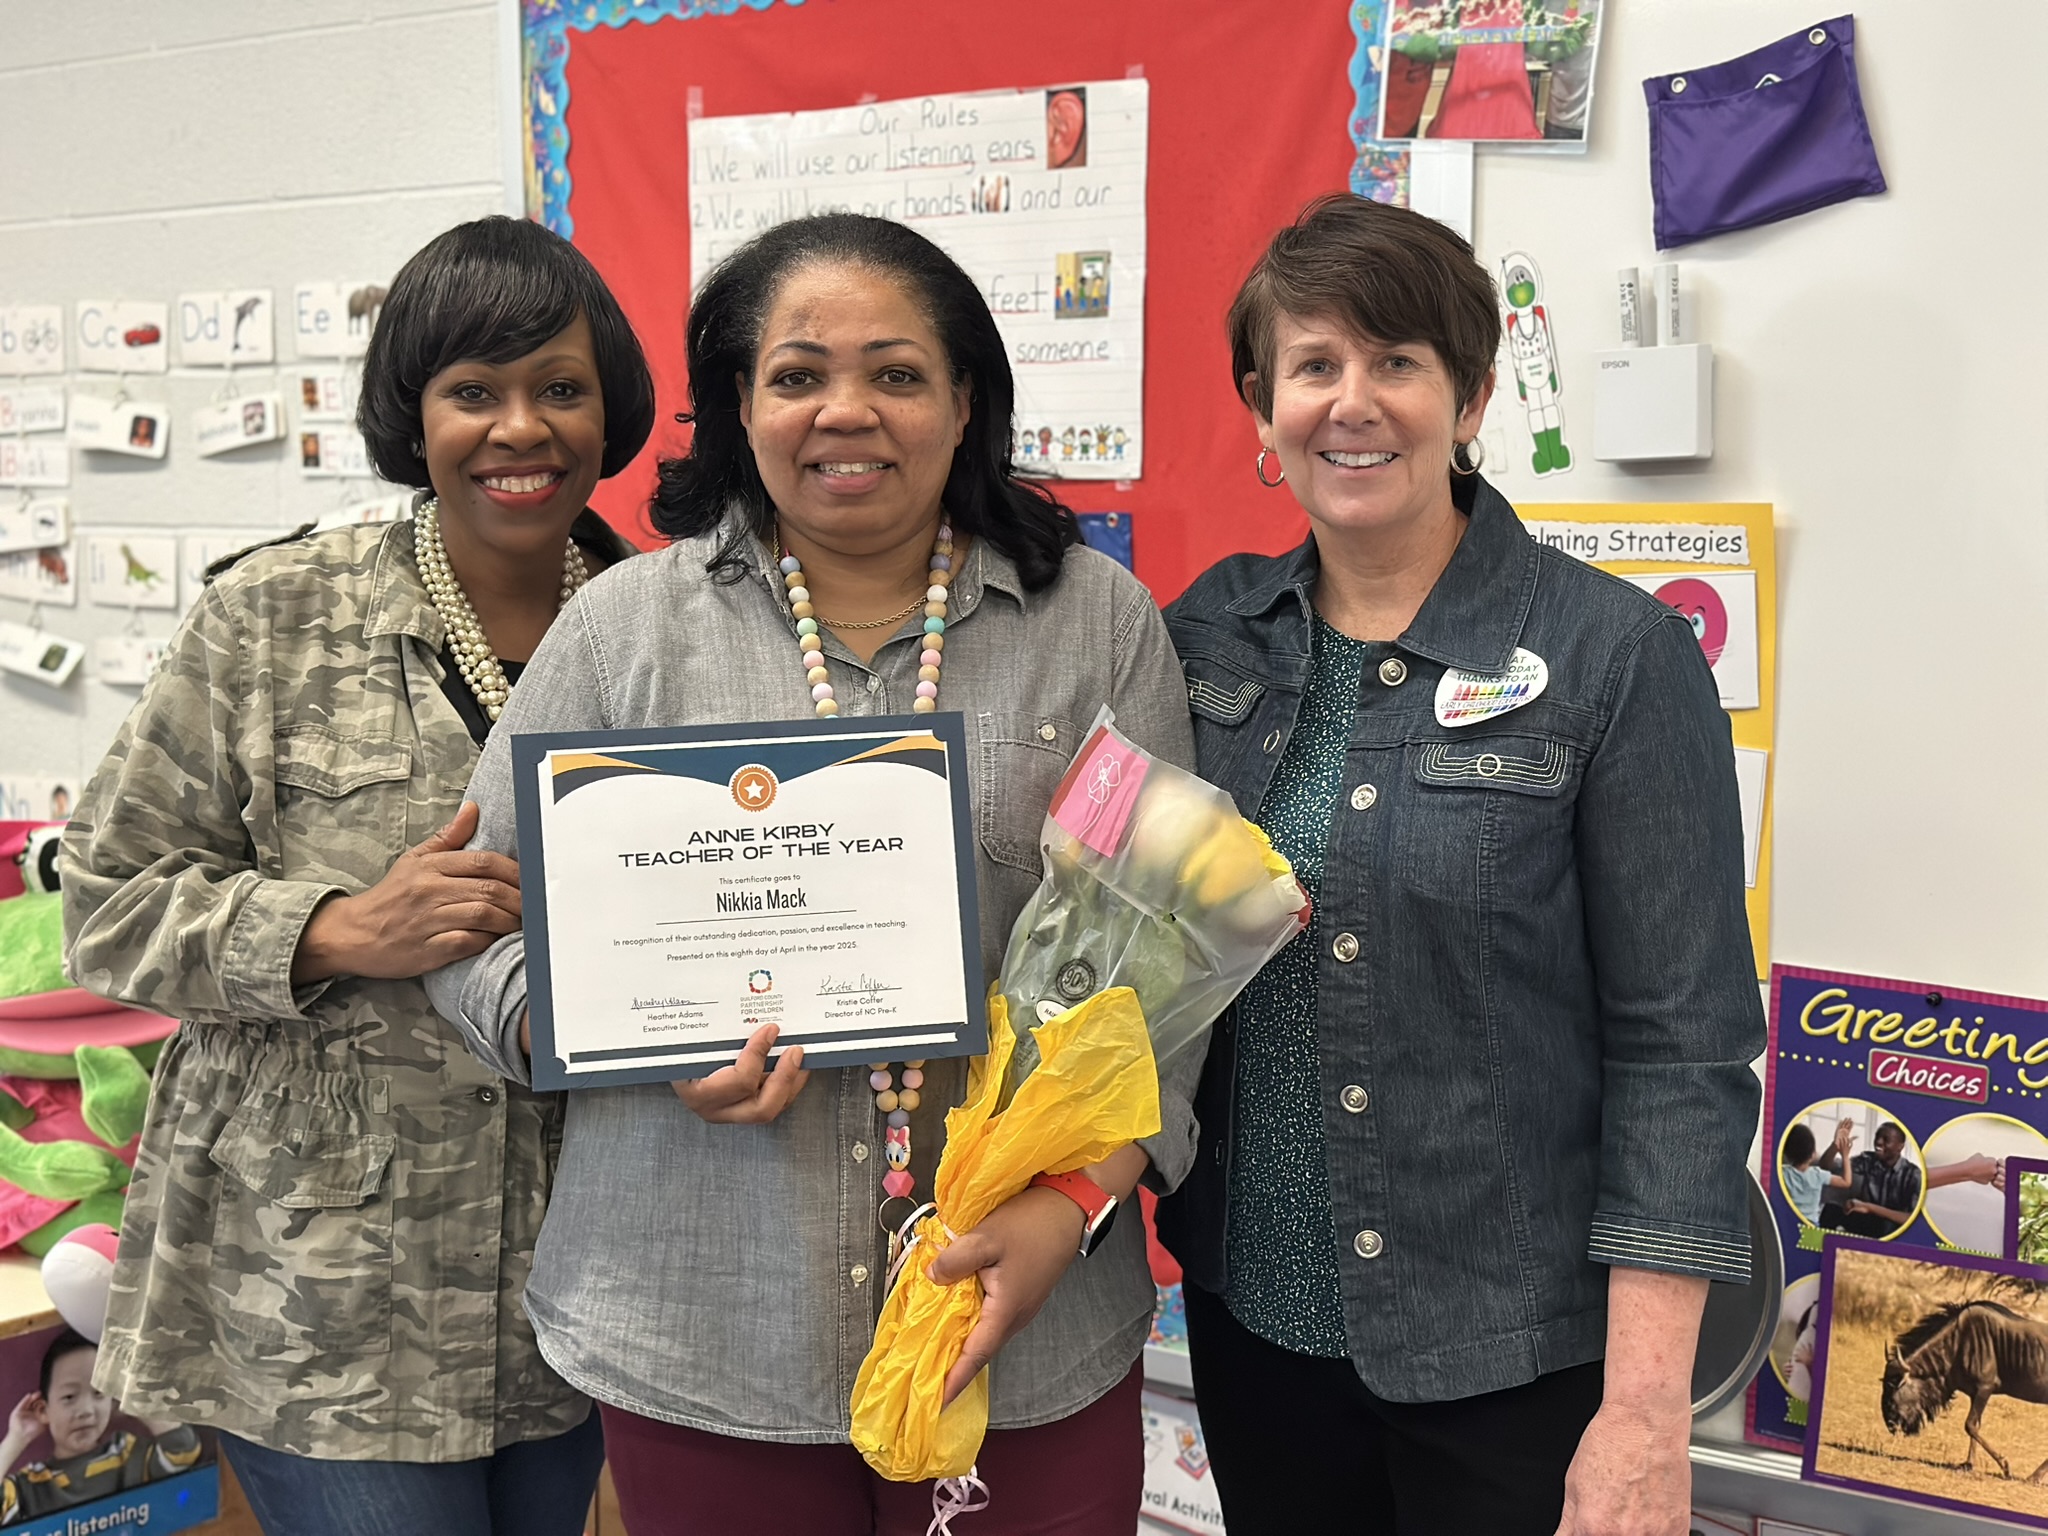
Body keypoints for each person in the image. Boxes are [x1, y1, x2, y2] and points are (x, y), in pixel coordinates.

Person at [424, 212, 1196, 1536]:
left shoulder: (1095, 625)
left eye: (897, 373)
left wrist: (1075, 1206)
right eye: (798, 375)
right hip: (704, 1325)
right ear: (741, 404)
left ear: (966, 404)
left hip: (1025, 1311)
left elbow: (1173, 958)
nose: (848, 411)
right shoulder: (625, 630)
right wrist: (610, 1031)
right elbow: (466, 927)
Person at [1157, 194, 1765, 1536]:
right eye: (1312, 366)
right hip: (1259, 1332)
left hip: (1514, 1360)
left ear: (1472, 396)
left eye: (1398, 363)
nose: (1352, 402)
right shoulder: (1206, 641)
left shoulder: (1618, 662)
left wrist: (1647, 1414)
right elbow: (1133, 945)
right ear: (1263, 413)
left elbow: (1686, 1052)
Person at [58, 215, 654, 1536]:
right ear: (412, 413)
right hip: (323, 1295)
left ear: (610, 407)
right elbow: (104, 898)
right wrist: (331, 926)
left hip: (580, 1273)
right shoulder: (273, 617)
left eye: (560, 389)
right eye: (473, 392)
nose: (521, 429)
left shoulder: (657, 623)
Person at [0, 1329, 203, 1524]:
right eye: (69, 1397)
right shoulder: (32, 1486)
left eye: (99, 1393)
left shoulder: (127, 1453)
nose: (86, 1410)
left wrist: (135, 1401)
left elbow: (183, 1451)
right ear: (44, 1410)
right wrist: (17, 1438)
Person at [1817, 1120, 1923, 1237]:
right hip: (1866, 1219)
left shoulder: (1913, 1174)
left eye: (1886, 1139)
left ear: (1900, 1147)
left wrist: (1869, 1207)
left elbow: (1911, 1218)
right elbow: (1825, 1167)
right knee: (1830, 1210)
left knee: (1885, 1226)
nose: (1878, 1142)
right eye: (1877, 1137)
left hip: (1892, 1228)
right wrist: (1836, 1146)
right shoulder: (1867, 1160)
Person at [1780, 1120, 1853, 1225]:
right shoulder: (1818, 1175)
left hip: (1788, 1223)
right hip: (1811, 1225)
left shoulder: (1783, 1172)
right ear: (1813, 1154)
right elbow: (1846, 1182)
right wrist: (1845, 1156)